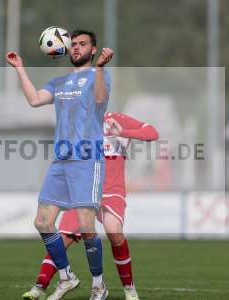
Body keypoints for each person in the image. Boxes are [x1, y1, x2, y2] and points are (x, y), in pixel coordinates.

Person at [6, 29, 114, 300]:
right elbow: (33, 101)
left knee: (87, 225)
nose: (76, 48)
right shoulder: (59, 81)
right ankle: (66, 277)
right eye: (73, 44)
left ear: (93, 49)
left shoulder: (98, 75)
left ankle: (99, 286)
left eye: (82, 44)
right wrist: (20, 68)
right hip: (61, 161)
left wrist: (100, 67)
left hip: (87, 159)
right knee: (42, 222)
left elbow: (101, 99)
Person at [23, 112, 159, 300]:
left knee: (114, 232)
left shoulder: (115, 118)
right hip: (84, 191)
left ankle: (129, 289)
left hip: (112, 190)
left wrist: (124, 131)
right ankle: (40, 286)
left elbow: (152, 133)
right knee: (62, 239)